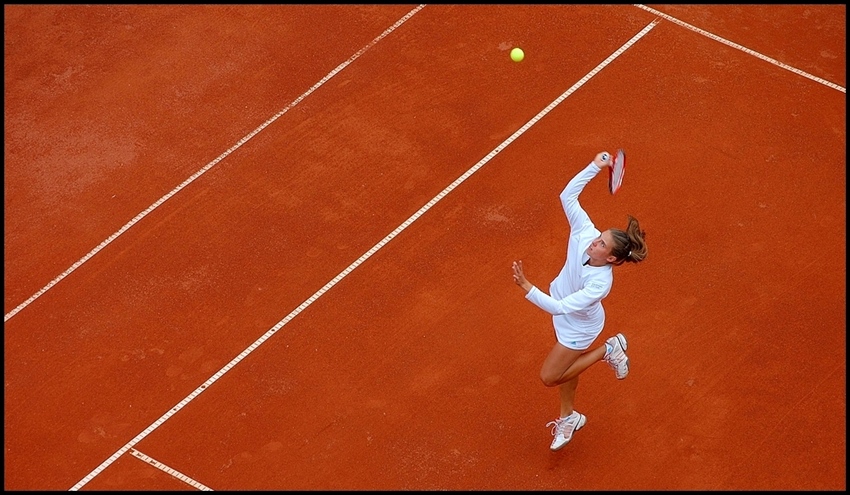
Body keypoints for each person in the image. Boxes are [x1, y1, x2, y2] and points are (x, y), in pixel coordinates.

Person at [511, 150, 647, 452]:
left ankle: (608, 349)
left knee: (550, 377)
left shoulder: (600, 284)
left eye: (600, 243)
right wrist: (594, 167)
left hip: (580, 327)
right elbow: (567, 197)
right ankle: (569, 417)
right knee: (568, 371)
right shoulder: (585, 232)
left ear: (610, 258)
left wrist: (526, 286)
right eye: (598, 235)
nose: (593, 240)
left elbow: (560, 308)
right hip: (563, 310)